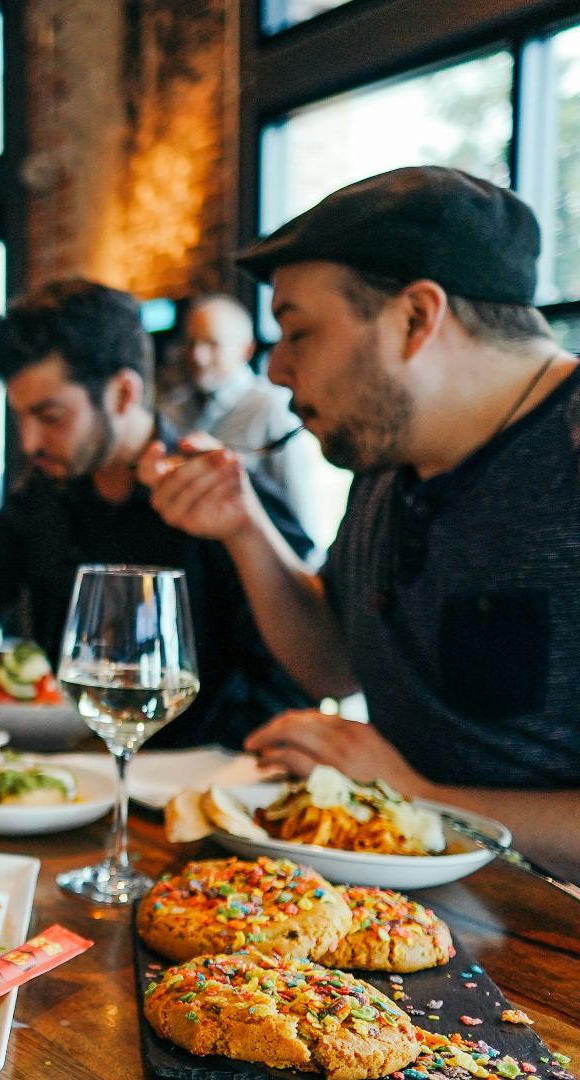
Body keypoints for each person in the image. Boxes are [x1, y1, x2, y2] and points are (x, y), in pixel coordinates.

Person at [142, 166, 580, 876]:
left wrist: (414, 797)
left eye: (298, 332)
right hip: (406, 900)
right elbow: (333, 661)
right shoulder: (389, 457)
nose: (276, 370)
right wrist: (244, 528)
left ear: (416, 318)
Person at [0, 279, 314, 749]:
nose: (29, 442)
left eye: (51, 417)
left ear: (123, 393)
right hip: (66, 765)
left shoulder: (218, 496)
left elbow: (294, 679)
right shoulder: (40, 498)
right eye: (20, 417)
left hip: (194, 776)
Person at [159, 294, 321, 533]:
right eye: (192, 343)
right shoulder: (172, 408)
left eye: (212, 344)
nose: (198, 356)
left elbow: (299, 512)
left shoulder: (271, 407)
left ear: (246, 350)